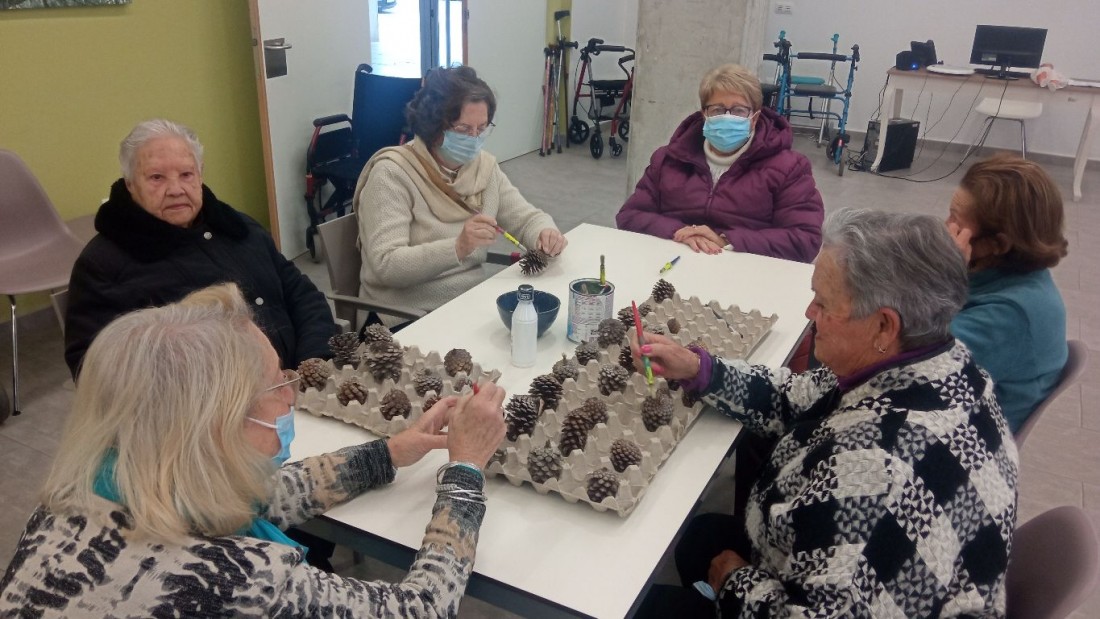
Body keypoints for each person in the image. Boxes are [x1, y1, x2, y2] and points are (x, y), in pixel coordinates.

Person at [0, 283, 507, 616]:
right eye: (277, 386)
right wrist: (465, 470)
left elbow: (255, 495)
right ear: (218, 427)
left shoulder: (73, 497)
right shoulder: (239, 583)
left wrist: (389, 453)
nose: (292, 395)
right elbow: (421, 609)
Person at [634, 209, 1018, 617]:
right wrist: (700, 370)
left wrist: (736, 583)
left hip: (844, 589)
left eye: (822, 303)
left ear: (883, 326)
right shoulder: (936, 363)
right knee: (702, 537)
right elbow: (800, 396)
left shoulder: (872, 474)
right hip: (863, 569)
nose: (808, 313)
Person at [64, 119, 336, 378]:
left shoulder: (239, 227)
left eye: (186, 174)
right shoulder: (103, 265)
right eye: (156, 177)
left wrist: (311, 365)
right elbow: (94, 368)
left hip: (301, 385)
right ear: (130, 184)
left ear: (200, 173)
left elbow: (301, 295)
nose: (175, 189)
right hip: (216, 406)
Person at [355, 66, 567, 327]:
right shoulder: (392, 173)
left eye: (482, 128)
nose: (474, 139)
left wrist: (545, 233)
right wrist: (457, 247)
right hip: (403, 315)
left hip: (467, 303)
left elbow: (525, 218)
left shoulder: (483, 169)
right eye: (464, 129)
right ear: (434, 126)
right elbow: (387, 266)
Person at [616, 63, 824, 262]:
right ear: (704, 115)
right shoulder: (667, 160)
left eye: (739, 110)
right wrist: (679, 232)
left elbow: (804, 240)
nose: (727, 117)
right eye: (717, 110)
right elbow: (630, 216)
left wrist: (726, 241)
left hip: (745, 273)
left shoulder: (790, 168)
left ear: (754, 118)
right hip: (674, 264)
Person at [945, 154, 1069, 433]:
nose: (946, 226)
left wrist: (945, 272)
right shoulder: (1007, 273)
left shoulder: (1010, 315)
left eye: (956, 219)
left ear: (998, 244)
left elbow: (913, 364)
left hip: (962, 439)